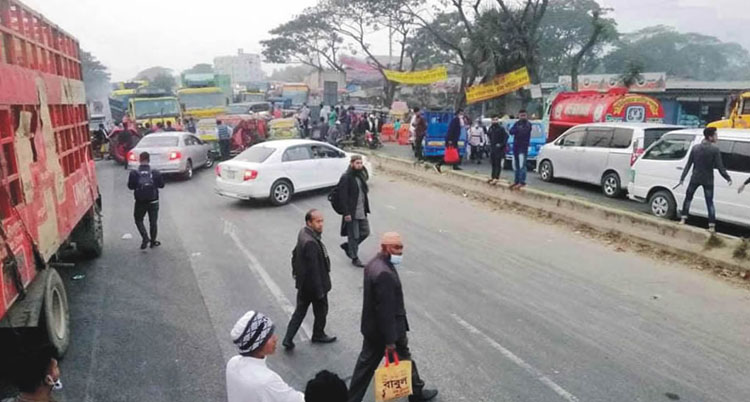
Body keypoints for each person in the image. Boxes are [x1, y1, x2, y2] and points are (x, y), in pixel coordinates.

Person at [348, 232, 438, 402]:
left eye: (401, 247)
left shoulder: (373, 264)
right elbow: (385, 310)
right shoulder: (384, 273)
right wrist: (390, 342)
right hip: (388, 332)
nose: (400, 251)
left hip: (373, 328)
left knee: (378, 363)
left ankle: (416, 392)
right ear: (385, 248)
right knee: (380, 363)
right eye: (396, 247)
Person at [283, 209, 337, 349]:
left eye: (322, 221)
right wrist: (320, 292)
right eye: (317, 222)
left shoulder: (303, 233)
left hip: (303, 285)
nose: (321, 224)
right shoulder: (310, 242)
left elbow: (295, 253)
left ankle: (288, 338)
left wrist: (296, 273)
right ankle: (318, 334)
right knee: (321, 310)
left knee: (300, 311)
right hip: (314, 287)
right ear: (309, 222)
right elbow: (314, 271)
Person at [226, 311, 305, 402]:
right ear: (257, 344)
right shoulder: (266, 382)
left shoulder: (232, 362)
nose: (275, 338)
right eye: (269, 337)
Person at [678, 127, 732, 233]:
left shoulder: (695, 148)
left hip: (695, 178)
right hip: (708, 180)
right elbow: (720, 167)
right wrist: (727, 178)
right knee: (709, 202)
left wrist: (682, 178)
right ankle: (711, 226)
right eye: (716, 135)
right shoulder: (715, 150)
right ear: (710, 137)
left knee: (688, 198)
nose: (717, 137)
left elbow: (689, 164)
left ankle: (683, 219)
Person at [337, 155, 370, 268]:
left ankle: (349, 247)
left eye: (361, 163)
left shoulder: (360, 176)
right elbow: (343, 197)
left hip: (362, 210)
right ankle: (354, 258)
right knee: (354, 236)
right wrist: (346, 213)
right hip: (352, 213)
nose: (359, 165)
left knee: (365, 232)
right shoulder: (346, 177)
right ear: (351, 164)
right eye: (357, 163)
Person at [127, 152, 165, 250]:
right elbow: (161, 185)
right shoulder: (155, 172)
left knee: (138, 219)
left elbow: (130, 187)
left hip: (140, 201)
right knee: (153, 222)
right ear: (149, 160)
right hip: (153, 200)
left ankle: (145, 237)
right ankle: (153, 241)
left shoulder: (134, 173)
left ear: (140, 160)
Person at [509, 109, 532, 189]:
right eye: (521, 115)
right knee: (516, 166)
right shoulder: (517, 123)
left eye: (524, 115)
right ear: (518, 116)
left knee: (522, 165)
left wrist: (517, 130)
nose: (522, 117)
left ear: (526, 115)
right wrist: (517, 130)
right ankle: (516, 181)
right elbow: (511, 131)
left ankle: (522, 182)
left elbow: (523, 132)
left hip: (523, 148)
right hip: (516, 147)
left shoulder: (528, 124)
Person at [487, 116, 508, 184]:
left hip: (499, 149)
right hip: (492, 148)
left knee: (497, 163)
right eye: (493, 120)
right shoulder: (491, 128)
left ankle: (496, 177)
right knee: (493, 163)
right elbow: (489, 135)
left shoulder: (501, 128)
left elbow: (506, 137)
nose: (495, 121)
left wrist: (501, 144)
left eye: (496, 120)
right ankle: (492, 176)